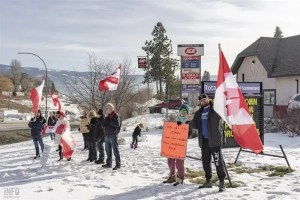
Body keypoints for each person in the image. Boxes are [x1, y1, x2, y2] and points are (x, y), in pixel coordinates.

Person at [191, 94, 226, 192]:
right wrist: (188, 121)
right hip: (204, 141)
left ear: (208, 99)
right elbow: (196, 125)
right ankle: (208, 181)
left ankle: (222, 182)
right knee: (206, 163)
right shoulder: (198, 113)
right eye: (201, 100)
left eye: (204, 99)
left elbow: (224, 114)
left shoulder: (215, 110)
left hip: (214, 141)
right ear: (199, 102)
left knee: (218, 162)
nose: (203, 101)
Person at [163, 104, 189, 186]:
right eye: (182, 111)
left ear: (187, 113)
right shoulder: (176, 120)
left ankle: (180, 177)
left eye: (185, 111)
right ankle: (172, 176)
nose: (183, 113)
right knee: (170, 160)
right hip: (172, 144)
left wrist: (184, 127)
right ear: (179, 112)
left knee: (179, 162)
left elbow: (190, 133)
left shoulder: (188, 121)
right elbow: (170, 131)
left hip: (181, 145)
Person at [102, 103, 121, 170]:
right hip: (107, 134)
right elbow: (104, 124)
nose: (106, 109)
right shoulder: (108, 116)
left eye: (107, 108)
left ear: (110, 108)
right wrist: (105, 120)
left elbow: (117, 124)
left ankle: (118, 165)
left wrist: (109, 121)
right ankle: (108, 163)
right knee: (107, 150)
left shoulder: (116, 115)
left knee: (115, 150)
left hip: (113, 134)